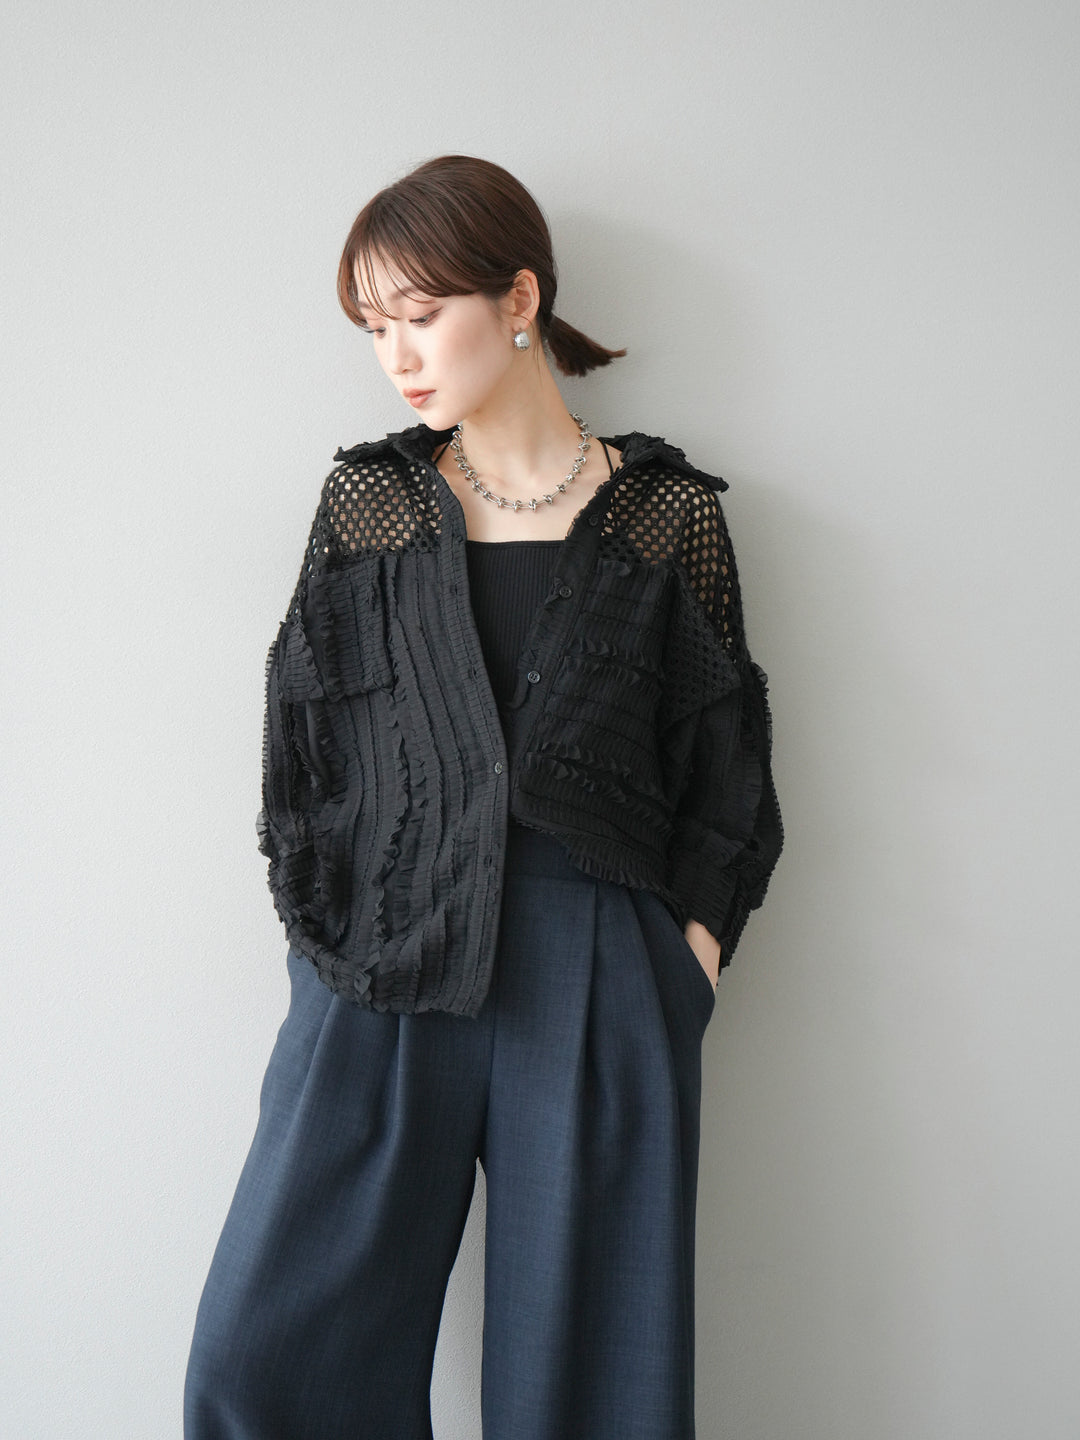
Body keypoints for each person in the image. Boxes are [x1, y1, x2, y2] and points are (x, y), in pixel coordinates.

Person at [183, 154, 783, 1440]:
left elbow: (725, 761)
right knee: (265, 1362)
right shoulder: (371, 506)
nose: (397, 356)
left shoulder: (664, 517)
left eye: (420, 314)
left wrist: (686, 958)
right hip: (384, 965)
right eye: (373, 327)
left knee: (591, 1389)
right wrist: (323, 947)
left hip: (598, 966)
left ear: (518, 299)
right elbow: (303, 746)